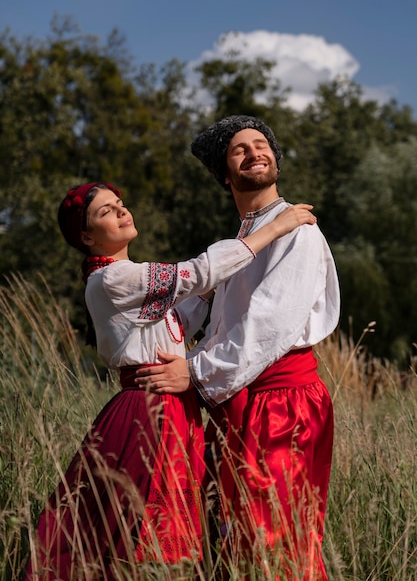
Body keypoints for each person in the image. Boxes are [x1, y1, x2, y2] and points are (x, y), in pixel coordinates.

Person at [25, 181, 316, 581]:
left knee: (151, 533)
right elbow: (197, 274)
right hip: (150, 410)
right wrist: (274, 229)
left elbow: (184, 317)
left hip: (170, 405)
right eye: (106, 211)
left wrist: (232, 272)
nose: (122, 211)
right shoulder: (113, 280)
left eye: (120, 204)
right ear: (87, 236)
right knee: (144, 537)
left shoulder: (129, 283)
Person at [135, 116, 341, 580]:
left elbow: (267, 323)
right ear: (225, 174)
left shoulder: (298, 232)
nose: (254, 152)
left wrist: (197, 372)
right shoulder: (238, 245)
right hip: (242, 400)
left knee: (275, 543)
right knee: (234, 542)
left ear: (274, 159)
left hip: (283, 404)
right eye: (239, 150)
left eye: (260, 144)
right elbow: (206, 317)